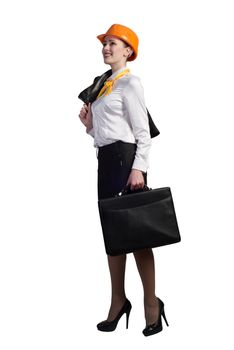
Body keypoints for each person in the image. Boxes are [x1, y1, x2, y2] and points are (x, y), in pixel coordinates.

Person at [79, 24, 168, 336]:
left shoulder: (130, 85)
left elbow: (142, 134)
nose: (106, 48)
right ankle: (118, 301)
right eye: (105, 43)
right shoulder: (103, 87)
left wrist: (138, 169)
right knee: (114, 237)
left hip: (126, 162)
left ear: (128, 51)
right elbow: (107, 133)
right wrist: (90, 126)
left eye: (113, 43)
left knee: (138, 234)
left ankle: (151, 304)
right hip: (106, 161)